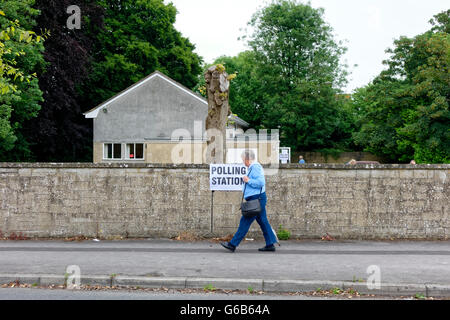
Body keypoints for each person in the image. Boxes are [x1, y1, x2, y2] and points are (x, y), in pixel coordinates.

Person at [221, 150, 278, 253]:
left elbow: (261, 182)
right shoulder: (253, 167)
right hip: (258, 198)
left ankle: (232, 244)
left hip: (256, 199)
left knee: (245, 221)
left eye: (243, 160)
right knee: (263, 221)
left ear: (248, 159)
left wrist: (248, 180)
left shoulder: (255, 167)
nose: (243, 162)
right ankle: (270, 244)